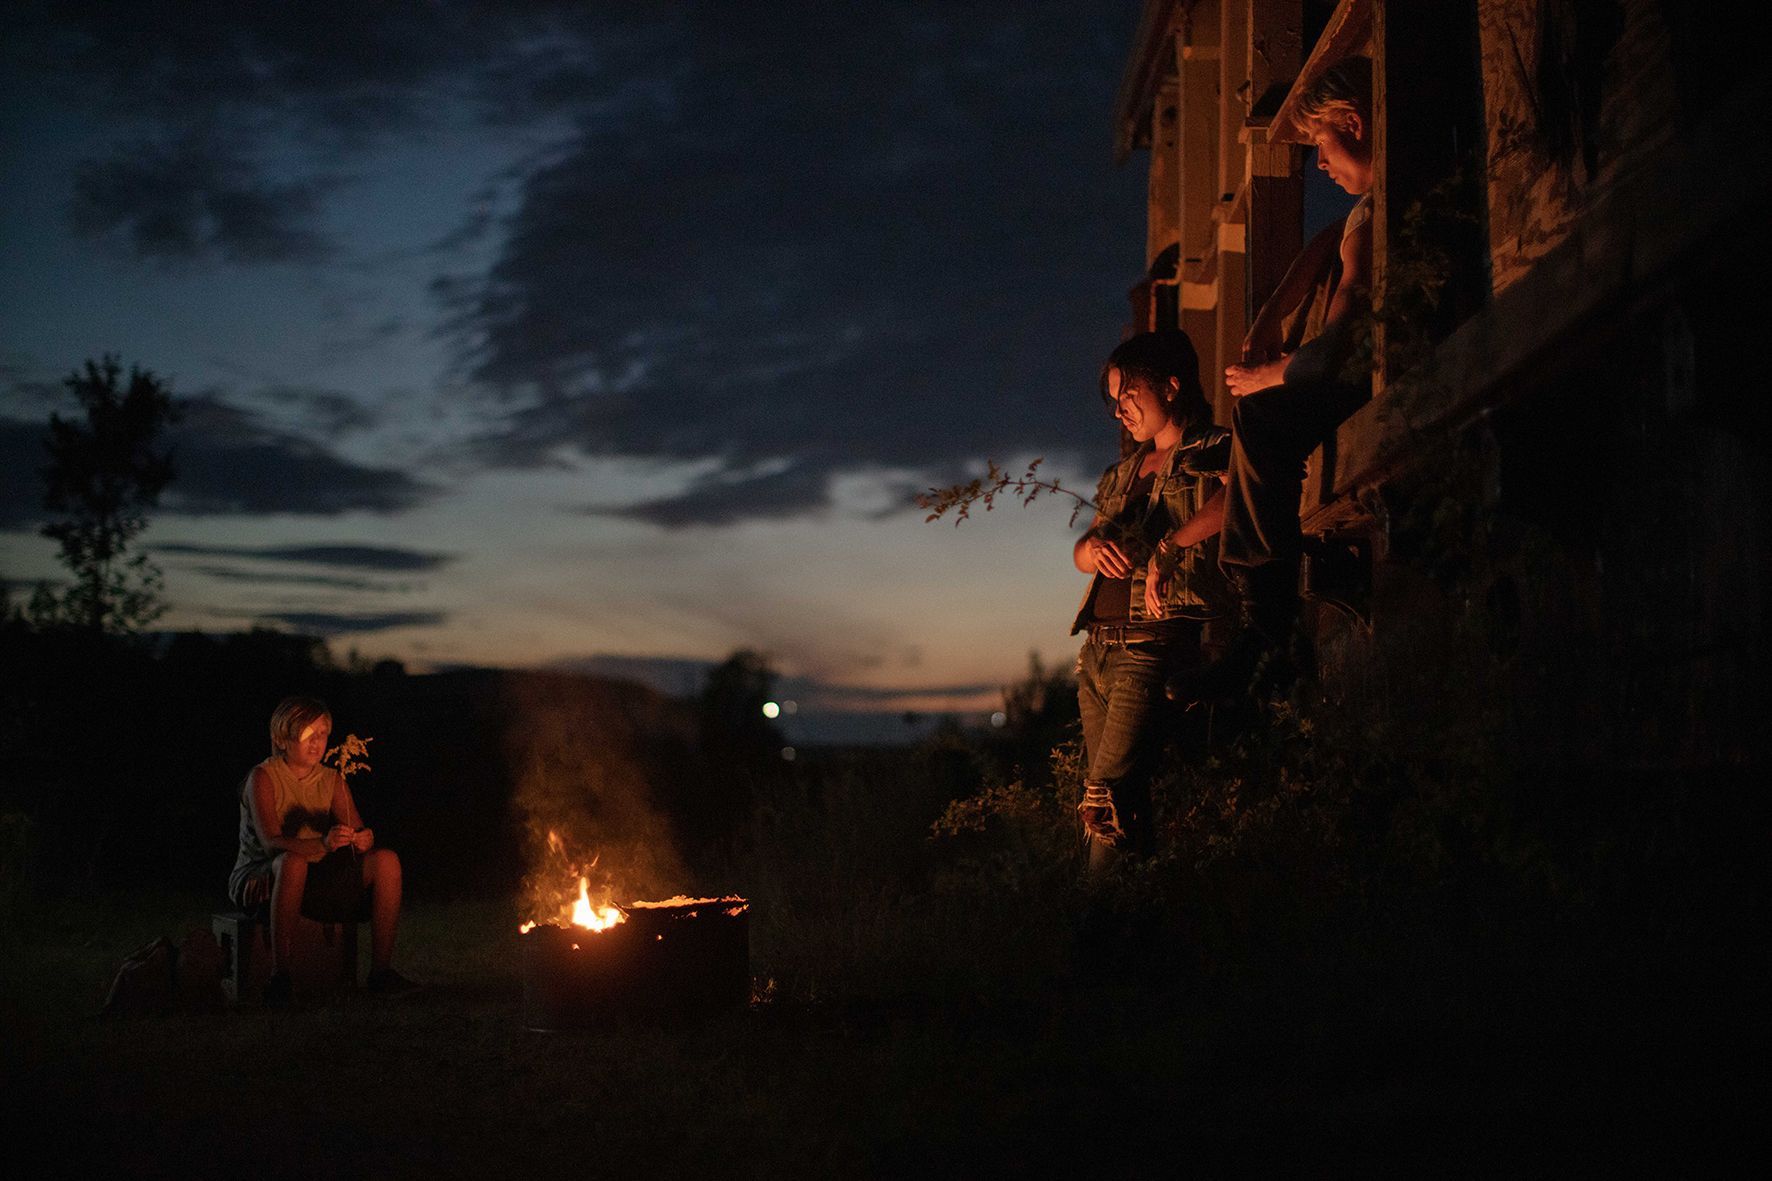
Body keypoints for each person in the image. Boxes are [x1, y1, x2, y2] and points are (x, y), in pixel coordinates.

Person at [1170, 56, 1376, 706]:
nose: (1319, 164)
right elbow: (1321, 243)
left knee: (1258, 420)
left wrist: (1264, 374)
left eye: (1321, 143)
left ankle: (1269, 633)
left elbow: (1334, 354)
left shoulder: (1376, 218)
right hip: (1351, 368)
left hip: (1368, 374)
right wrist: (1266, 319)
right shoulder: (1360, 215)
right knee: (1232, 445)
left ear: (1355, 122)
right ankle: (1262, 628)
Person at [1070, 330, 1231, 874]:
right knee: (1125, 798)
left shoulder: (1210, 447)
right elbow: (1079, 554)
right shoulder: (1122, 474)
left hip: (1149, 644)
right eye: (1113, 402)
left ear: (1170, 384)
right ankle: (1140, 921)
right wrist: (1090, 548)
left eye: (1128, 395)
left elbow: (1244, 497)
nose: (1120, 412)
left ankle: (1096, 925)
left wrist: (1171, 543)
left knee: (1104, 798)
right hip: (1097, 650)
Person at [229, 695, 417, 1003]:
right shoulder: (262, 778)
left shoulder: (332, 780)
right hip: (263, 874)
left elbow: (357, 834)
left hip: (317, 876)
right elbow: (270, 842)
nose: (317, 743)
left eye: (323, 734)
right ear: (283, 738)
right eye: (307, 735)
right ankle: (280, 978)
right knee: (292, 861)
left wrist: (362, 840)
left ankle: (381, 972)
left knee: (386, 861)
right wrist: (323, 843)